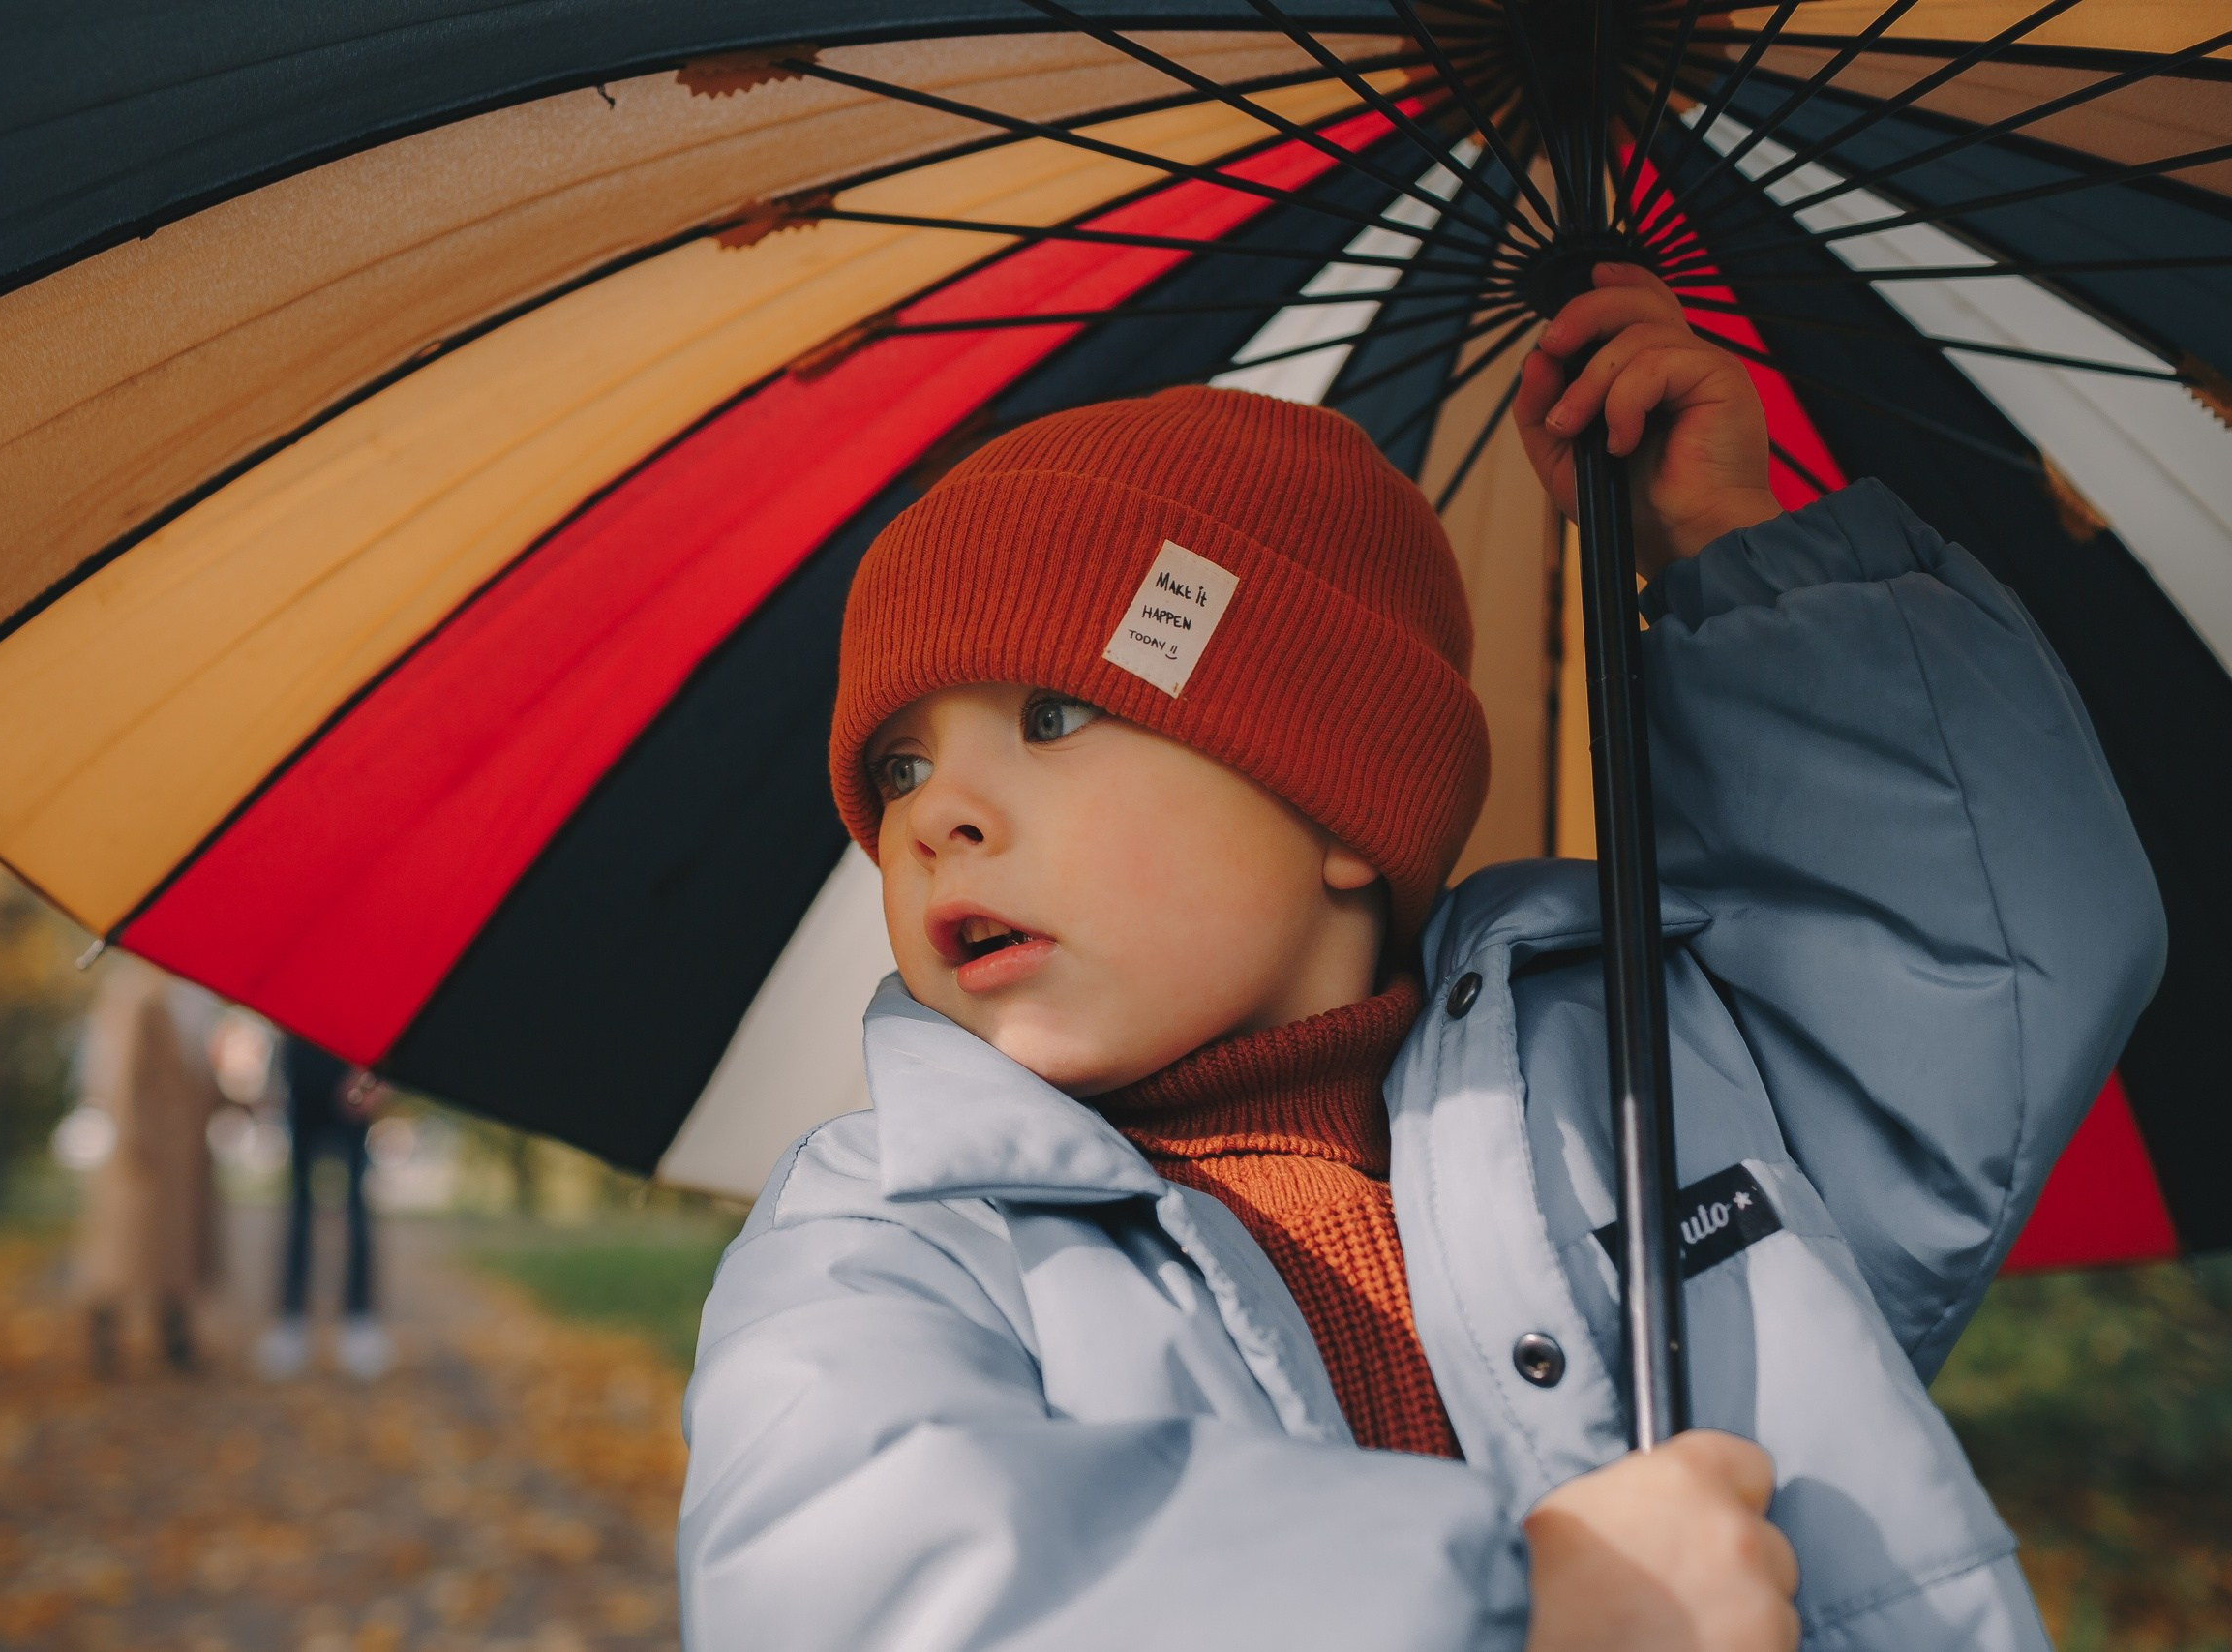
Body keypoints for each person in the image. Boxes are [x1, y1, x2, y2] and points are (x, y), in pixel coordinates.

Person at [676, 265, 2165, 1651]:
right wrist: (1514, 1600)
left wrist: (1725, 550)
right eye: (897, 765)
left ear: (1334, 792)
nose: (936, 813)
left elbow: (1979, 955)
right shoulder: (902, 1231)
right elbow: (855, 1574)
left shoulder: (1651, 1078)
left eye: (1055, 716)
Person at [71, 956, 224, 1375]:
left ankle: (173, 1335)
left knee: (172, 1249)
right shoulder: (136, 991)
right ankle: (106, 1337)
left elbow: (196, 1073)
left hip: (182, 1145)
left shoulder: (190, 995)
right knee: (125, 1247)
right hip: (148, 1143)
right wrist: (132, 1135)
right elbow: (121, 1071)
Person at [252, 1035, 392, 1382]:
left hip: (353, 1074)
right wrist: (272, 1081)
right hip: (302, 1076)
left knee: (356, 1210)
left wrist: (375, 1078)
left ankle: (359, 1320)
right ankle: (291, 1320)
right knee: (298, 1210)